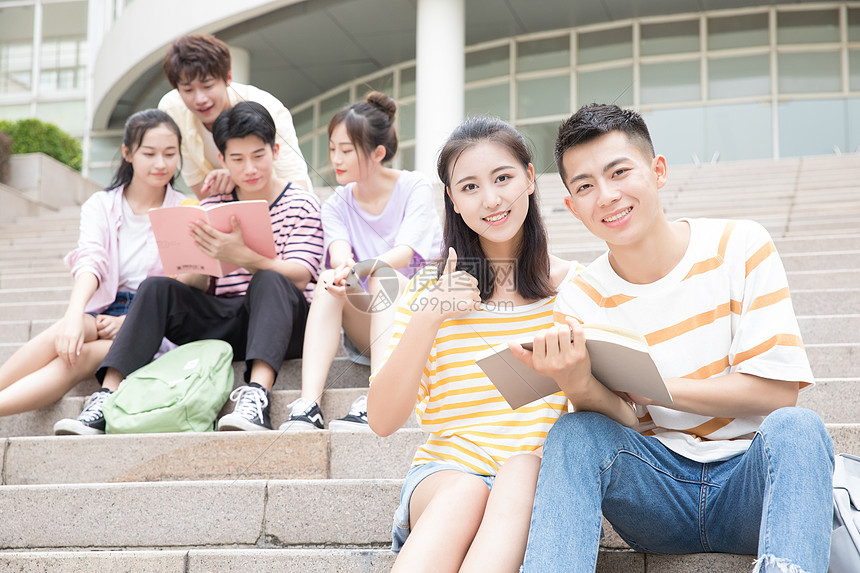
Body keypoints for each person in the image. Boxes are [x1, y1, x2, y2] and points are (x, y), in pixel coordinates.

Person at [520, 103, 834, 573]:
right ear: (572, 207)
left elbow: (778, 393)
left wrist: (657, 389)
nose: (606, 196)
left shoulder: (739, 247)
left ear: (659, 171)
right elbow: (620, 423)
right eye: (585, 186)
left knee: (800, 427)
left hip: (750, 484)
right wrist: (577, 383)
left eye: (619, 172)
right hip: (656, 494)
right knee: (573, 432)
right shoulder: (580, 298)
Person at [367, 117, 636, 573]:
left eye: (503, 178)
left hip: (537, 478)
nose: (491, 199)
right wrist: (429, 316)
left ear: (530, 178)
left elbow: (626, 418)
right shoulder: (429, 290)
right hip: (444, 478)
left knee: (521, 470)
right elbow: (382, 420)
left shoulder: (578, 288)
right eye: (470, 187)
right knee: (466, 491)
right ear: (452, 200)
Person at [54, 101, 324, 435]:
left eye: (258, 156)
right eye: (237, 159)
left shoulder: (301, 203)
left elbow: (300, 275)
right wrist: (201, 260)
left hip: (283, 326)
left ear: (275, 151)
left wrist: (242, 255)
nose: (250, 168)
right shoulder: (210, 206)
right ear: (222, 159)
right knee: (157, 287)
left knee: (270, 279)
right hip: (226, 318)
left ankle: (257, 396)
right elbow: (192, 283)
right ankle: (106, 398)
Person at [0, 109, 184, 424]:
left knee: (78, 356)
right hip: (103, 310)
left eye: (170, 154)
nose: (161, 164)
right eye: (149, 153)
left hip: (154, 325)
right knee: (63, 333)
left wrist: (132, 320)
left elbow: (184, 283)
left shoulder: (183, 209)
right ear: (128, 153)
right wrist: (74, 316)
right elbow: (91, 260)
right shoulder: (102, 205)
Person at [283, 92, 442, 432]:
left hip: (420, 317)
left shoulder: (415, 187)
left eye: (346, 150)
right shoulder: (335, 204)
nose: (335, 159)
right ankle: (308, 404)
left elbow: (405, 253)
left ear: (378, 153)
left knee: (383, 273)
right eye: (332, 149)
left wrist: (359, 269)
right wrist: (343, 272)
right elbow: (339, 252)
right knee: (329, 280)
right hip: (369, 318)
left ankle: (377, 400)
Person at [158, 34, 311, 199]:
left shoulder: (267, 108)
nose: (200, 99)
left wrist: (238, 177)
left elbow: (296, 185)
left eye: (208, 86)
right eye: (188, 90)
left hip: (276, 202)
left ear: (228, 77)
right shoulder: (172, 111)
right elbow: (201, 188)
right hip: (222, 204)